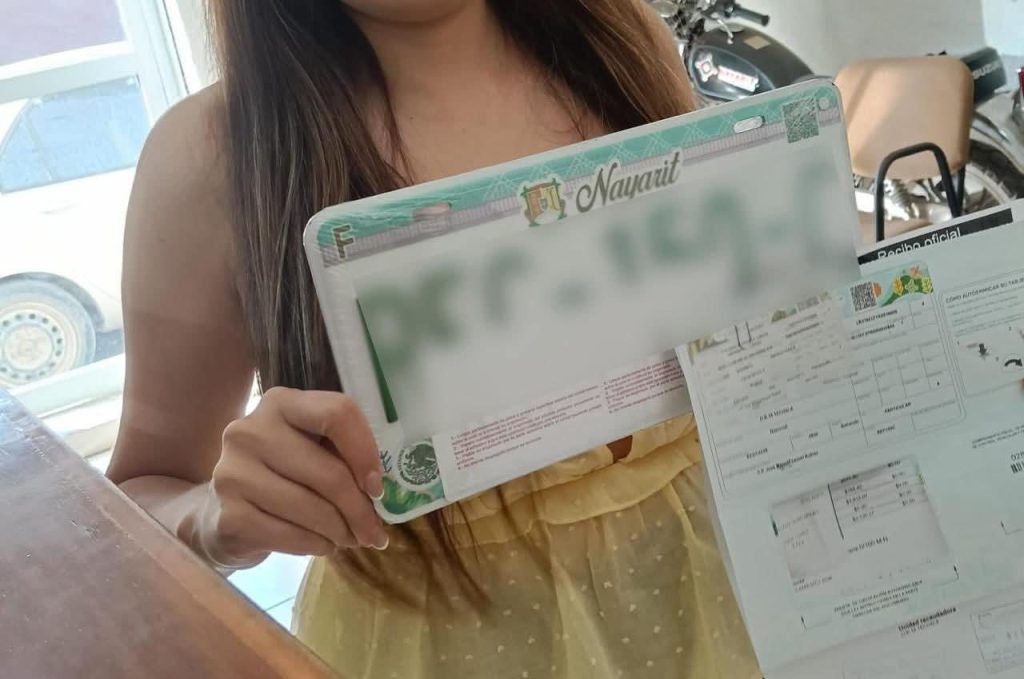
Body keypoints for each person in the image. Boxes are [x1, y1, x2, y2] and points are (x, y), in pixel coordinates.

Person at [108, 0, 760, 676]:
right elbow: (137, 495)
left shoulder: (623, 40)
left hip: (728, 591)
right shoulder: (213, 152)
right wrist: (214, 516)